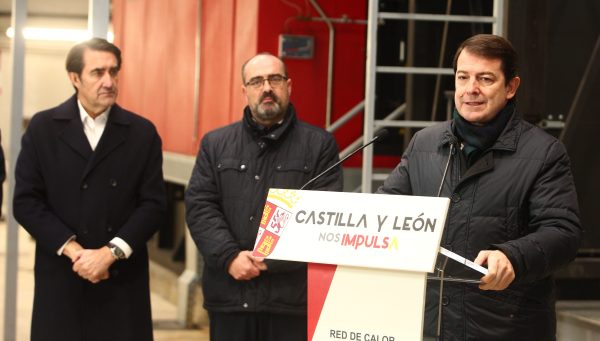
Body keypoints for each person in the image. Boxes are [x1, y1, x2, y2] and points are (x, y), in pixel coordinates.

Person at [377, 34, 582, 340]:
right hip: (428, 324)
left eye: (485, 79)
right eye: (463, 77)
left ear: (510, 87)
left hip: (504, 328)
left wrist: (514, 256)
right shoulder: (425, 143)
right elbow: (386, 209)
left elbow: (563, 232)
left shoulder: (544, 153)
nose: (471, 89)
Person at [13, 38, 166, 341]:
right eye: (98, 72)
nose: (109, 81)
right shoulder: (43, 128)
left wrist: (109, 254)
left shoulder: (142, 132)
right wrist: (76, 252)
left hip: (121, 275)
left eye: (113, 72)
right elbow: (27, 202)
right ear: (74, 78)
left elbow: (153, 205)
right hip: (63, 274)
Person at [185, 52, 343, 341]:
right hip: (230, 296)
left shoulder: (319, 145)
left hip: (290, 301)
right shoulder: (215, 144)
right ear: (244, 91)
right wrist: (230, 256)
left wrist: (268, 260)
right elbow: (200, 207)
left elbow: (324, 217)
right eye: (257, 81)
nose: (267, 87)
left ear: (289, 86)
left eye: (275, 79)